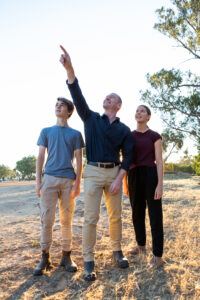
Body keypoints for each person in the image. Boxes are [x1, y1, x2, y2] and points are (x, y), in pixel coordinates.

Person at [59, 45, 134, 281]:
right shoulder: (91, 119)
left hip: (113, 174)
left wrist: (119, 179)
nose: (107, 98)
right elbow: (77, 97)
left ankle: (117, 252)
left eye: (111, 97)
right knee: (90, 217)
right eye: (106, 97)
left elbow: (128, 156)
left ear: (118, 105)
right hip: (92, 172)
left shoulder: (124, 129)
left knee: (115, 216)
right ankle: (89, 262)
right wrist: (70, 69)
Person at [33, 97, 84, 276]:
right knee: (46, 220)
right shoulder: (46, 131)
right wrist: (38, 182)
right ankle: (45, 257)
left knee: (66, 220)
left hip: (68, 180)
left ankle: (66, 256)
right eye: (56, 104)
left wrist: (77, 184)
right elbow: (40, 157)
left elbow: (79, 160)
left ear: (69, 111)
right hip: (49, 179)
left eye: (62, 105)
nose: (58, 106)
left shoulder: (76, 134)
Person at [123, 105, 164, 268]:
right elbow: (125, 159)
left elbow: (159, 161)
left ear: (148, 117)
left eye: (142, 111)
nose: (138, 113)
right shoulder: (129, 136)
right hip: (133, 176)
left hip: (150, 175)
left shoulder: (154, 136)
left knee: (155, 216)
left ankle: (158, 256)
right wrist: (125, 182)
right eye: (137, 110)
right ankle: (141, 245)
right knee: (136, 213)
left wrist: (160, 185)